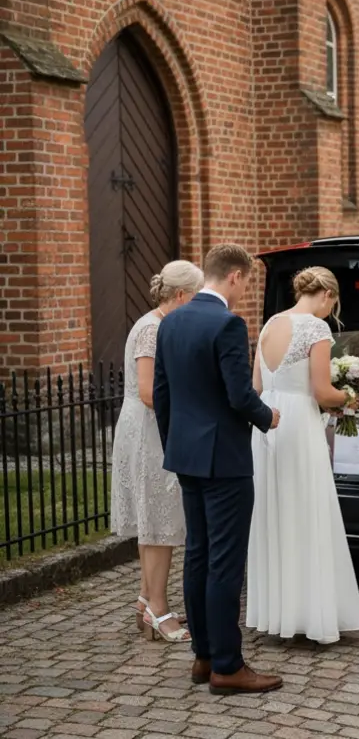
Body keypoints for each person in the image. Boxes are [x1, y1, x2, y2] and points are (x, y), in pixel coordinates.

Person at [154, 243, 282, 695]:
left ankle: (204, 657)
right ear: (233, 276)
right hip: (224, 461)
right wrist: (269, 416)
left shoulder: (170, 323)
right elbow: (238, 394)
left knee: (199, 556)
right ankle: (228, 665)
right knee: (225, 563)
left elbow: (163, 395)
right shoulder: (227, 323)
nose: (244, 289)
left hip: (187, 456)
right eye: (245, 280)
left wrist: (176, 447)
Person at [246, 266, 359, 644]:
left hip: (266, 423)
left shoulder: (269, 325)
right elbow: (321, 390)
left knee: (273, 512)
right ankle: (308, 617)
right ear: (328, 295)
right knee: (305, 511)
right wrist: (349, 397)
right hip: (298, 425)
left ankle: (275, 614)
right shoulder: (316, 328)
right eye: (335, 302)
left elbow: (256, 386)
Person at [111, 260, 203, 643]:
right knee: (159, 524)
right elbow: (149, 392)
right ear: (180, 296)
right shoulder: (152, 329)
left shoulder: (158, 322)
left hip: (152, 429)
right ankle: (159, 610)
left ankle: (146, 600)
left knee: (155, 521)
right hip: (149, 432)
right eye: (195, 298)